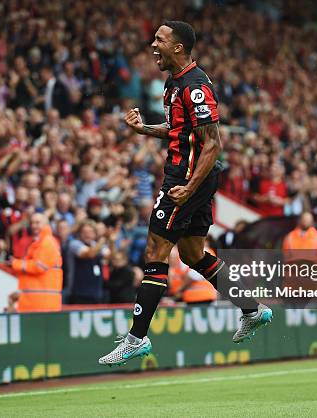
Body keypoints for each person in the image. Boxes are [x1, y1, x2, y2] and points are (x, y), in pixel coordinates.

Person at [99, 21, 272, 366]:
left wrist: (189, 187)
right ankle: (252, 309)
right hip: (193, 178)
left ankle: (137, 337)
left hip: (187, 178)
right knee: (193, 254)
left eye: (159, 40)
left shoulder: (194, 87)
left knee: (155, 249)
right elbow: (179, 131)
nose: (152, 45)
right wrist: (144, 129)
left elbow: (213, 143)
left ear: (178, 47)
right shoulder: (173, 84)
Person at [8, 213, 63, 312]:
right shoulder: (40, 242)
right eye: (32, 223)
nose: (34, 226)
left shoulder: (47, 242)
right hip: (36, 303)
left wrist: (16, 264)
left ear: (46, 224)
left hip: (43, 304)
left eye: (37, 223)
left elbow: (39, 267)